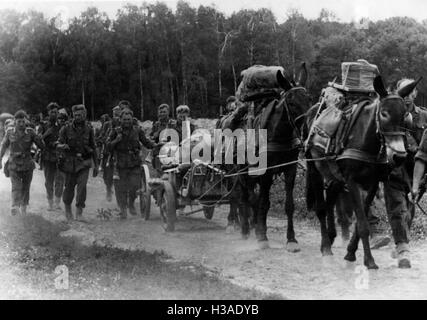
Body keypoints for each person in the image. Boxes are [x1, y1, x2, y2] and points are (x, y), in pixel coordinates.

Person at [382, 78, 427, 268]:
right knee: (397, 208)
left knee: (409, 210)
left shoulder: (424, 116)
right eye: (404, 94)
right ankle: (403, 248)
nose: (407, 98)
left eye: (410, 94)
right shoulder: (391, 113)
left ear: (415, 94)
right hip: (395, 168)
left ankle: (401, 241)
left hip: (417, 170)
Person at [106, 108, 157, 219]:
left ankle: (131, 203)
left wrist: (156, 145)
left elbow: (146, 142)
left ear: (132, 119)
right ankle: (123, 209)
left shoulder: (138, 130)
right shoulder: (115, 131)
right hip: (120, 164)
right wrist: (116, 140)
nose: (127, 121)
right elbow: (108, 146)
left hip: (134, 163)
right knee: (120, 188)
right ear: (120, 119)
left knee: (135, 186)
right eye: (124, 119)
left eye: (129, 119)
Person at [57, 104, 98, 221]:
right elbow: (57, 143)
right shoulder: (66, 128)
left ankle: (79, 212)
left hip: (84, 163)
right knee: (69, 188)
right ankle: (68, 210)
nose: (77, 117)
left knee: (82, 187)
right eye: (75, 115)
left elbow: (93, 147)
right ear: (72, 116)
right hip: (69, 163)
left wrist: (96, 165)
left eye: (80, 115)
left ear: (84, 115)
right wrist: (62, 146)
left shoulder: (89, 129)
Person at [0, 110, 44, 215]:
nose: (21, 124)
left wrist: (40, 139)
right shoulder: (9, 132)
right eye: (19, 121)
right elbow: (3, 146)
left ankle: (23, 207)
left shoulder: (31, 132)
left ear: (26, 121)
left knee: (26, 187)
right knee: (16, 186)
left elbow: (41, 146)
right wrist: (0, 159)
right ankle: (15, 206)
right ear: (15, 121)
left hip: (27, 165)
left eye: (23, 122)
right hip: (13, 164)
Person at [38, 102, 64, 211]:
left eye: (56, 112)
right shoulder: (43, 125)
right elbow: (38, 140)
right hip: (48, 156)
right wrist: (46, 134)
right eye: (52, 112)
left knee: (60, 180)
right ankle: (50, 202)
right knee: (49, 181)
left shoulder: (62, 126)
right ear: (48, 112)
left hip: (60, 157)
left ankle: (57, 202)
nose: (54, 114)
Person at [99, 106, 122, 201]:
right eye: (114, 114)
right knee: (107, 176)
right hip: (108, 153)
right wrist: (107, 140)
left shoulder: (124, 124)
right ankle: (108, 189)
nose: (116, 116)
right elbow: (102, 136)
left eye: (118, 113)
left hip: (120, 153)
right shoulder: (107, 124)